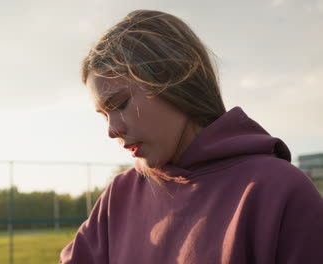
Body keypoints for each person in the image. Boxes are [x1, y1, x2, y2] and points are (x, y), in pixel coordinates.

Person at [59, 10, 323, 264]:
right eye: (104, 115)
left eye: (120, 104)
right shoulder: (119, 196)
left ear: (174, 80)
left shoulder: (279, 190)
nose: (111, 130)